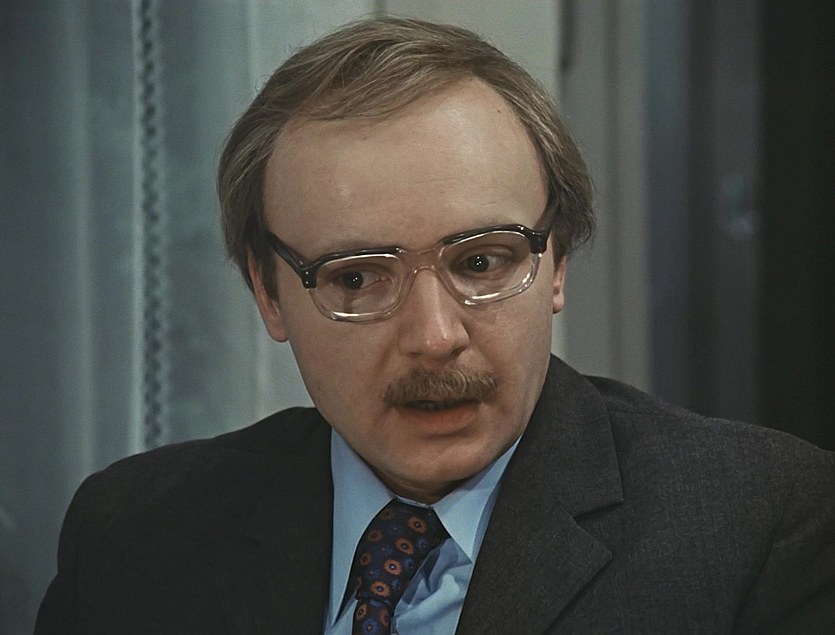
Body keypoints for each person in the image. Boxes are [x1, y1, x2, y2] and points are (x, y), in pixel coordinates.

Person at [36, 17, 834, 634]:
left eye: (481, 262)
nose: (434, 335)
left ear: (555, 264)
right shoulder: (134, 535)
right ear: (268, 293)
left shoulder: (759, 526)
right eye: (356, 277)